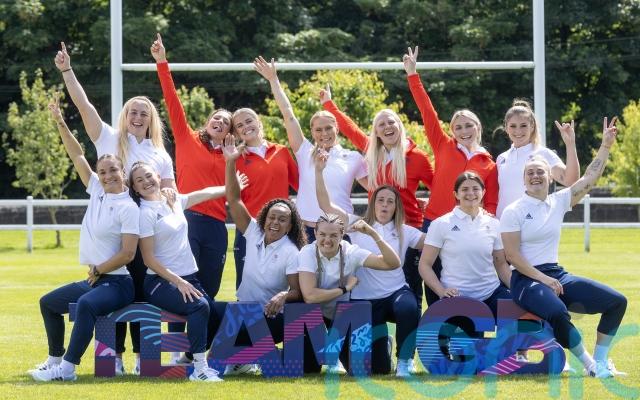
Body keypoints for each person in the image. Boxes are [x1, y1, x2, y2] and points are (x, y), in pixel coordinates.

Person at [55, 41, 175, 372]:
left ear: (151, 119)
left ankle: (142, 358)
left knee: (141, 294)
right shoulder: (109, 136)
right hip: (114, 229)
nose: (137, 117)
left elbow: (170, 192)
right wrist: (67, 70)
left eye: (144, 113)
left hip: (147, 232)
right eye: (132, 111)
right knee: (112, 294)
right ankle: (114, 357)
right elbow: (84, 106)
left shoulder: (160, 153)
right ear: (125, 115)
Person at [500, 117, 627, 378]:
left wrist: (605, 146)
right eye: (530, 173)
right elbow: (512, 255)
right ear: (524, 180)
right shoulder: (514, 211)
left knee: (617, 302)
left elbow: (590, 178)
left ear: (550, 177)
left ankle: (601, 361)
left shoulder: (559, 201)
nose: (535, 176)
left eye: (540, 172)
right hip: (525, 279)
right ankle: (590, 366)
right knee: (558, 311)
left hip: (556, 274)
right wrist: (544, 279)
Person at [30, 100, 138, 381]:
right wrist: (60, 122)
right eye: (102, 172)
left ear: (122, 172)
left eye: (113, 170)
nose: (107, 176)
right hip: (96, 280)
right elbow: (77, 154)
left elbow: (128, 253)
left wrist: (99, 269)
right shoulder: (97, 191)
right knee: (48, 303)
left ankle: (67, 369)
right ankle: (54, 360)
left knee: (87, 305)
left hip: (118, 283)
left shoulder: (129, 207)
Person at [130, 161, 244, 382]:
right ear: (134, 188)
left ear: (158, 176)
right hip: (159, 282)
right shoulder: (144, 214)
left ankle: (193, 359)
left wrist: (232, 185)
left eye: (149, 176)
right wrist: (178, 282)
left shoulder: (173, 200)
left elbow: (205, 193)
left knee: (221, 311)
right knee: (199, 306)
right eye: (139, 180)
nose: (146, 182)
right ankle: (199, 370)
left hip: (188, 278)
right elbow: (149, 260)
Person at [314, 150, 425, 377]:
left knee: (409, 307)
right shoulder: (355, 224)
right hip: (364, 300)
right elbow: (326, 205)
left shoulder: (406, 231)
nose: (385, 205)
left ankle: (404, 361)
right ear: (373, 203)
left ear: (396, 207)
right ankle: (385, 347)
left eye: (390, 202)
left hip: (395, 292)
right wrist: (318, 171)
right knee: (378, 370)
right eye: (380, 200)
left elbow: (435, 242)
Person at [402, 46, 498, 307]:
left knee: (463, 280)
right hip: (434, 222)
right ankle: (438, 326)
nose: (464, 131)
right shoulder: (443, 145)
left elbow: (491, 202)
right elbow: (427, 111)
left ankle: (469, 323)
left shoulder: (488, 162)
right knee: (433, 278)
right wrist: (413, 75)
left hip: (469, 228)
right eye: (458, 127)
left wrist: (486, 224)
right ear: (452, 130)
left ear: (478, 127)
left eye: (468, 125)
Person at [222, 134, 317, 375]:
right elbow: (233, 198)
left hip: (270, 318)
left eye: (282, 219)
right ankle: (239, 356)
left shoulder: (292, 251)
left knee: (303, 363)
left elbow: (298, 292)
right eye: (272, 217)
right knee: (212, 313)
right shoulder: (254, 232)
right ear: (264, 218)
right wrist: (231, 162)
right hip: (243, 312)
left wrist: (283, 295)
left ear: (290, 225)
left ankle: (250, 355)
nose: (275, 222)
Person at [150, 33, 231, 301]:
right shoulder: (187, 139)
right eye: (216, 118)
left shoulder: (232, 156)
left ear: (230, 132)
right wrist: (162, 63)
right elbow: (172, 100)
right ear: (208, 122)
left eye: (226, 122)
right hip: (188, 219)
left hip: (217, 225)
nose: (220, 122)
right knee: (182, 285)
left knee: (210, 288)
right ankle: (177, 328)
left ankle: (200, 329)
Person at [254, 56, 368, 242]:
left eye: (328, 128)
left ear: (337, 129)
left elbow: (376, 188)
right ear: (312, 132)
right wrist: (273, 80)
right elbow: (288, 114)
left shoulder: (353, 157)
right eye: (318, 129)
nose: (324, 133)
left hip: (339, 230)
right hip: (305, 231)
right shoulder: (304, 151)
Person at [419, 171, 512, 361]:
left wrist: (517, 289)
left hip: (490, 293)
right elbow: (425, 265)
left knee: (516, 310)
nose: (471, 193)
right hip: (459, 300)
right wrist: (441, 291)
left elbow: (501, 264)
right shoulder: (441, 224)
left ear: (483, 192)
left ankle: (514, 356)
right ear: (456, 194)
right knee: (467, 361)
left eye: (476, 189)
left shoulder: (494, 224)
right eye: (465, 189)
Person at [297, 213, 402, 373]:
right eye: (322, 234)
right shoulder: (307, 252)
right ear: (315, 233)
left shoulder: (351, 252)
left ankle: (384, 344)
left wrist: (373, 234)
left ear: (342, 235)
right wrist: (344, 289)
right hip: (315, 318)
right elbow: (310, 296)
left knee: (378, 369)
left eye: (334, 235)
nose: (327, 240)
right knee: (308, 369)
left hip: (343, 318)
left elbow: (392, 263)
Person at [229, 93, 299, 290]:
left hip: (281, 228)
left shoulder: (281, 151)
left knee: (285, 286)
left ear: (258, 122)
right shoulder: (234, 159)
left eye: (248, 121)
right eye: (239, 125)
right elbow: (231, 196)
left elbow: (302, 185)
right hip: (249, 229)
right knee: (246, 286)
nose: (245, 126)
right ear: (236, 133)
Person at [496, 100, 580, 218]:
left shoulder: (543, 153)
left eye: (523, 125)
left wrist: (570, 144)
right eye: (513, 126)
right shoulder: (501, 158)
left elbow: (571, 181)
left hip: (533, 222)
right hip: (503, 223)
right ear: (506, 128)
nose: (518, 131)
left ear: (532, 126)